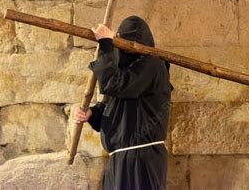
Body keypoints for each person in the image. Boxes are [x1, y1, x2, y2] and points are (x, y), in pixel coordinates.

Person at [73, 15, 174, 190]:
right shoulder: (127, 71)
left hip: (140, 159)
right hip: (121, 158)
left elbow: (115, 84)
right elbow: (114, 105)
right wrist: (92, 114)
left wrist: (106, 44)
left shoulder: (153, 65)